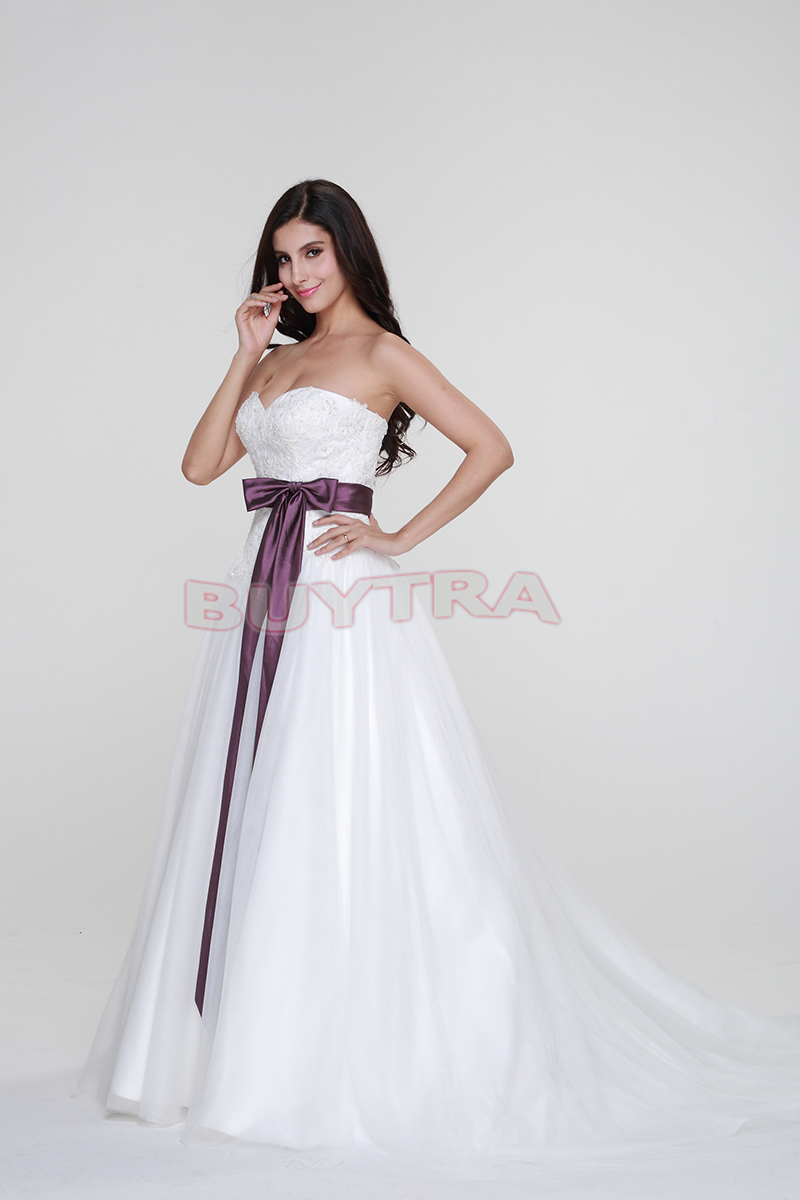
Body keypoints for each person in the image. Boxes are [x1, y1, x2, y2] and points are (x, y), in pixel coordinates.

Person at [76, 179, 800, 1164]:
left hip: (339, 602)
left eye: (313, 253)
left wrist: (398, 536)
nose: (297, 273)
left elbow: (490, 447)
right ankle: (246, 1045)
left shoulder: (382, 354)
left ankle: (339, 1050)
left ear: (348, 252)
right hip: (259, 598)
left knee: (332, 795)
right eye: (283, 257)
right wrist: (242, 354)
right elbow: (201, 467)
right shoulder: (272, 359)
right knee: (247, 791)